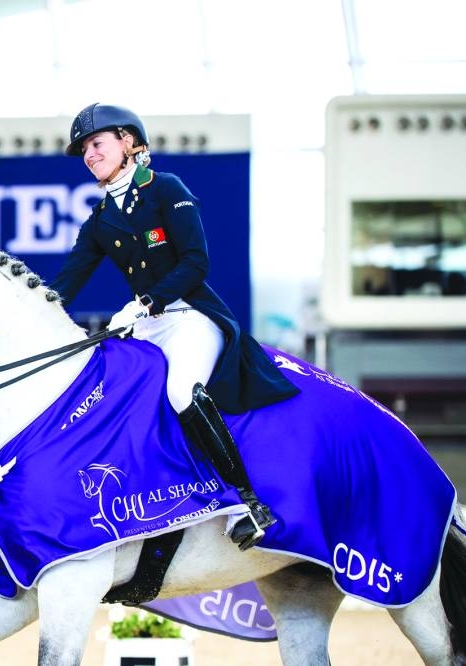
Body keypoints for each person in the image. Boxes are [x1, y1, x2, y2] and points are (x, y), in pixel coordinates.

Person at [50, 103, 300, 550]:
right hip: (144, 327)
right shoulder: (101, 218)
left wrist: (148, 301)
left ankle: (247, 502)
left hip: (188, 316)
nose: (89, 155)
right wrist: (33, 310)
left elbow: (196, 262)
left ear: (128, 141)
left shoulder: (166, 189)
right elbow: (68, 280)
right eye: (84, 149)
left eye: (96, 143)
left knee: (183, 392)